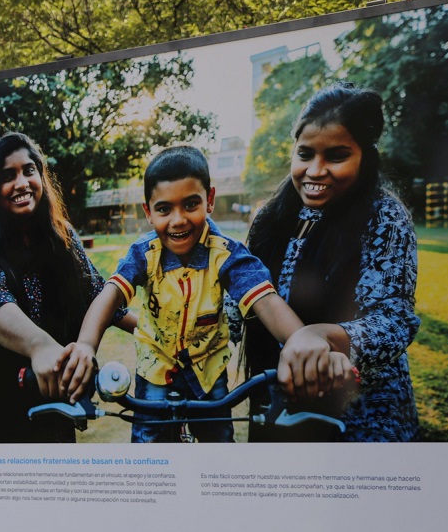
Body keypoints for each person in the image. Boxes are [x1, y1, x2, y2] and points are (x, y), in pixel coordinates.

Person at [60, 146, 349, 442]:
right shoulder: (143, 254)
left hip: (208, 368)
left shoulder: (227, 254)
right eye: (164, 209)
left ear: (209, 200)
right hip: (156, 365)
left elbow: (265, 300)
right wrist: (85, 345)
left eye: (190, 204)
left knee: (218, 443)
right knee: (150, 444)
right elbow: (110, 295)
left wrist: (303, 342)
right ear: (148, 212)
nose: (178, 220)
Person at [244, 83, 419, 442]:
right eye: (305, 154)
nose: (315, 170)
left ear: (364, 156)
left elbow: (394, 321)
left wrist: (321, 335)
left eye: (336, 156)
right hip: (280, 407)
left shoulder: (385, 216)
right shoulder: (270, 219)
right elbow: (243, 303)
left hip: (362, 418)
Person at [0, 131, 134, 443]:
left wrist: (155, 333)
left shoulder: (62, 236)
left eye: (29, 170)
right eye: (8, 176)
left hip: (52, 407)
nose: (21, 183)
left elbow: (99, 296)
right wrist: (40, 346)